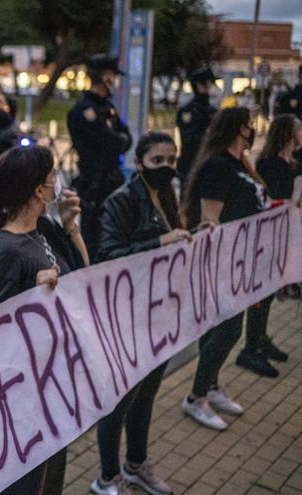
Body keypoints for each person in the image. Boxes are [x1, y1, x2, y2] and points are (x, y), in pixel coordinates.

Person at [0, 145, 87, 494]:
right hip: (22, 399)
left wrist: (70, 227)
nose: (57, 184)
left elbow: (82, 275)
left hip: (50, 384)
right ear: (38, 190)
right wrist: (29, 296)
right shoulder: (5, 250)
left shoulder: (43, 228)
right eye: (53, 179)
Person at [92, 132, 188, 495]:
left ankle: (135, 464)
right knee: (119, 400)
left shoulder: (165, 195)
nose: (167, 168)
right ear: (140, 162)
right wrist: (160, 243)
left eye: (172, 160)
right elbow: (108, 255)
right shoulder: (121, 201)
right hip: (126, 318)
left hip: (158, 314)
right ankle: (107, 476)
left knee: (145, 395)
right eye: (158, 161)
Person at [180, 106, 268, 430]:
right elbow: (209, 221)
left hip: (242, 258)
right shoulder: (218, 166)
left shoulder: (239, 164)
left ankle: (211, 384)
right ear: (236, 129)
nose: (253, 131)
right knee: (228, 328)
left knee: (224, 326)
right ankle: (195, 396)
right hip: (224, 261)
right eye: (249, 126)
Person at [235, 114, 302, 377]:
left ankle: (259, 338)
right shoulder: (272, 164)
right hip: (266, 238)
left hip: (282, 235)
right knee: (260, 293)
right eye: (299, 130)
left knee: (270, 290)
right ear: (287, 134)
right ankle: (250, 348)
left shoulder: (291, 162)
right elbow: (269, 200)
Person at [67, 54, 132, 254]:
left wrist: (118, 140)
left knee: (115, 228)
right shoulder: (85, 109)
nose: (115, 81)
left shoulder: (107, 107)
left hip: (112, 178)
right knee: (93, 234)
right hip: (94, 181)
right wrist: (118, 140)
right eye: (113, 75)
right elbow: (109, 140)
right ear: (106, 77)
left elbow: (126, 138)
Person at [177, 67, 218, 180]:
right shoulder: (189, 111)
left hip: (209, 164)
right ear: (200, 86)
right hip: (191, 165)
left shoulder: (212, 110)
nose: (213, 87)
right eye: (210, 84)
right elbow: (189, 140)